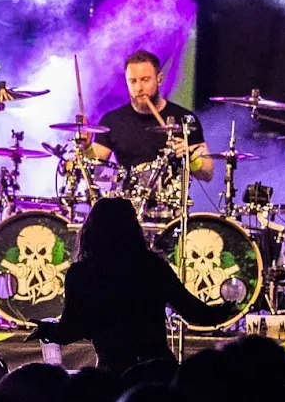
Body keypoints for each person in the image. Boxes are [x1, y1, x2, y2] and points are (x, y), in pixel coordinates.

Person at [30, 198, 231, 371]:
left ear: (91, 230)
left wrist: (46, 330)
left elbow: (72, 330)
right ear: (134, 229)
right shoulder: (153, 266)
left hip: (113, 371)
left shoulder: (81, 272)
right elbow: (191, 309)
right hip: (157, 369)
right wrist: (222, 312)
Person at [89, 50, 211, 181]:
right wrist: (86, 148)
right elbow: (95, 170)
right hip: (127, 193)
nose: (139, 88)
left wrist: (191, 157)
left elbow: (207, 174)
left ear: (159, 79)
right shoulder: (112, 120)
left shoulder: (185, 119)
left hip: (171, 193)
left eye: (145, 80)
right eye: (133, 81)